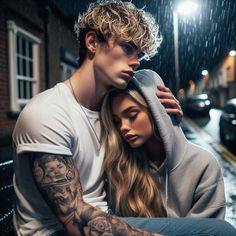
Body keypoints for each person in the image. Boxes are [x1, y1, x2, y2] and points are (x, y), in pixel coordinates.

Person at [12, 1, 236, 235]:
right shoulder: (48, 112)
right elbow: (74, 218)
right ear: (92, 42)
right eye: (128, 48)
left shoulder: (109, 113)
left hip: (106, 217)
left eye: (139, 54)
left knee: (219, 229)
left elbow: (159, 166)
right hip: (61, 231)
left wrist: (168, 128)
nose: (137, 61)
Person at [101, 69, 226, 219]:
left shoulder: (204, 165)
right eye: (117, 121)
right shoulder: (123, 167)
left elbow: (209, 231)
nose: (123, 127)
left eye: (132, 115)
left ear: (156, 111)